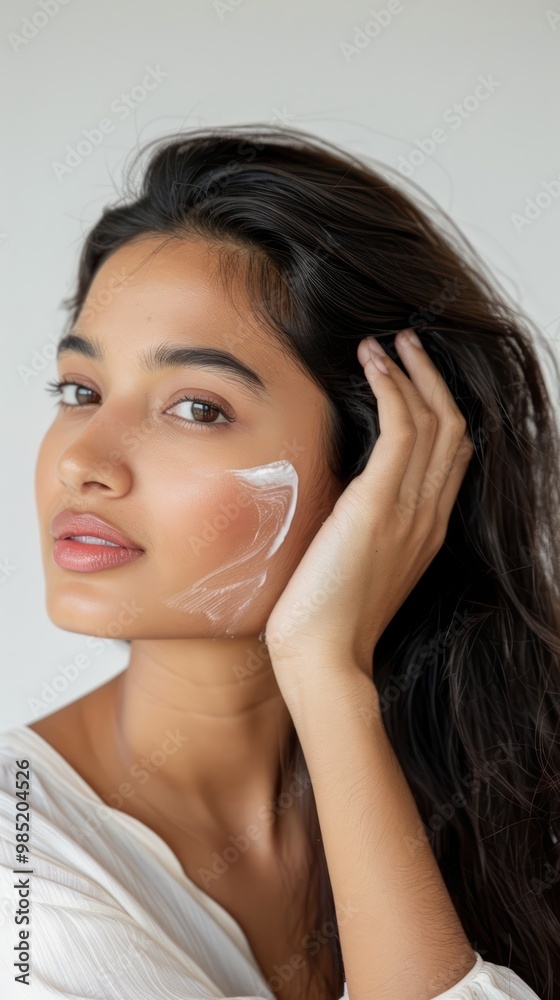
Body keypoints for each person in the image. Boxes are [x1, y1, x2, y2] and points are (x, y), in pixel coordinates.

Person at [0, 123, 557, 1000]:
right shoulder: (19, 877)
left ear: (378, 469)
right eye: (81, 391)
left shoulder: (517, 795)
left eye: (195, 407)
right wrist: (327, 675)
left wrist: (331, 690)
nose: (84, 460)